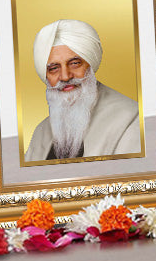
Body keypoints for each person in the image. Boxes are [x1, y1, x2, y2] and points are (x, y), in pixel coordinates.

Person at [23, 18, 141, 162]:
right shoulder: (41, 132)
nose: (65, 76)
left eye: (74, 63)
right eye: (54, 68)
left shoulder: (131, 118)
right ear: (46, 75)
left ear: (89, 64)